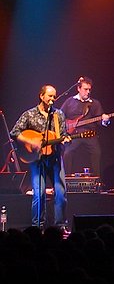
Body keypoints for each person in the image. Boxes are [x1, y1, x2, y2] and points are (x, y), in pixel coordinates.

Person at [10, 84, 72, 229]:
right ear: (41, 96)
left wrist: (66, 140)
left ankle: (60, 225)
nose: (52, 99)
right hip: (37, 159)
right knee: (39, 194)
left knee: (61, 193)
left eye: (54, 96)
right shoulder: (29, 114)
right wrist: (31, 141)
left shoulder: (59, 115)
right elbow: (14, 132)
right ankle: (37, 226)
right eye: (50, 96)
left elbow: (63, 135)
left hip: (55, 157)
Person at [60, 77, 110, 177]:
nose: (88, 92)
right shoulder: (69, 101)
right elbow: (59, 117)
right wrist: (64, 130)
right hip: (73, 136)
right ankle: (66, 182)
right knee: (67, 153)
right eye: (85, 89)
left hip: (89, 135)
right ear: (78, 88)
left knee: (97, 152)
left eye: (89, 90)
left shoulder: (95, 103)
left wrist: (105, 120)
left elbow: (100, 121)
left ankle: (96, 180)